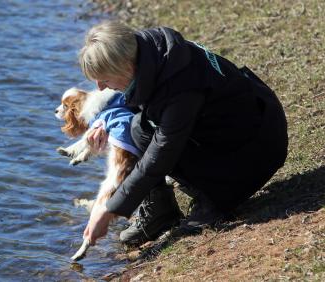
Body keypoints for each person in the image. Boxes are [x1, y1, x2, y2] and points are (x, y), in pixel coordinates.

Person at [79, 21, 288, 246]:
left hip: (257, 150)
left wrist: (109, 209)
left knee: (148, 137)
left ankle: (215, 201)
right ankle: (161, 212)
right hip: (240, 129)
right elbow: (138, 95)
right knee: (138, 128)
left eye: (105, 79)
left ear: (126, 66)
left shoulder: (181, 87)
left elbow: (159, 156)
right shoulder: (151, 51)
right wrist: (106, 121)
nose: (100, 87)